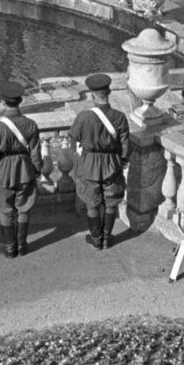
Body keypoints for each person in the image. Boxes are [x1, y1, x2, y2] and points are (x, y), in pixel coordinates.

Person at [68, 74, 130, 251]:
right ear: (109, 92)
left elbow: (74, 141)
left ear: (91, 94)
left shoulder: (83, 117)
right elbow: (126, 146)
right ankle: (107, 238)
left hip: (89, 164)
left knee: (91, 202)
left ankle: (96, 239)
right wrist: (121, 162)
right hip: (112, 163)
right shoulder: (119, 117)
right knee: (111, 202)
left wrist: (80, 158)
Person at [0, 82, 42, 258]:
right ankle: (22, 246)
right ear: (21, 101)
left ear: (2, 102)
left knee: (6, 210)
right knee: (23, 208)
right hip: (24, 170)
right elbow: (36, 154)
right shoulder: (31, 124)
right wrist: (36, 172)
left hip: (2, 172)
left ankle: (10, 248)